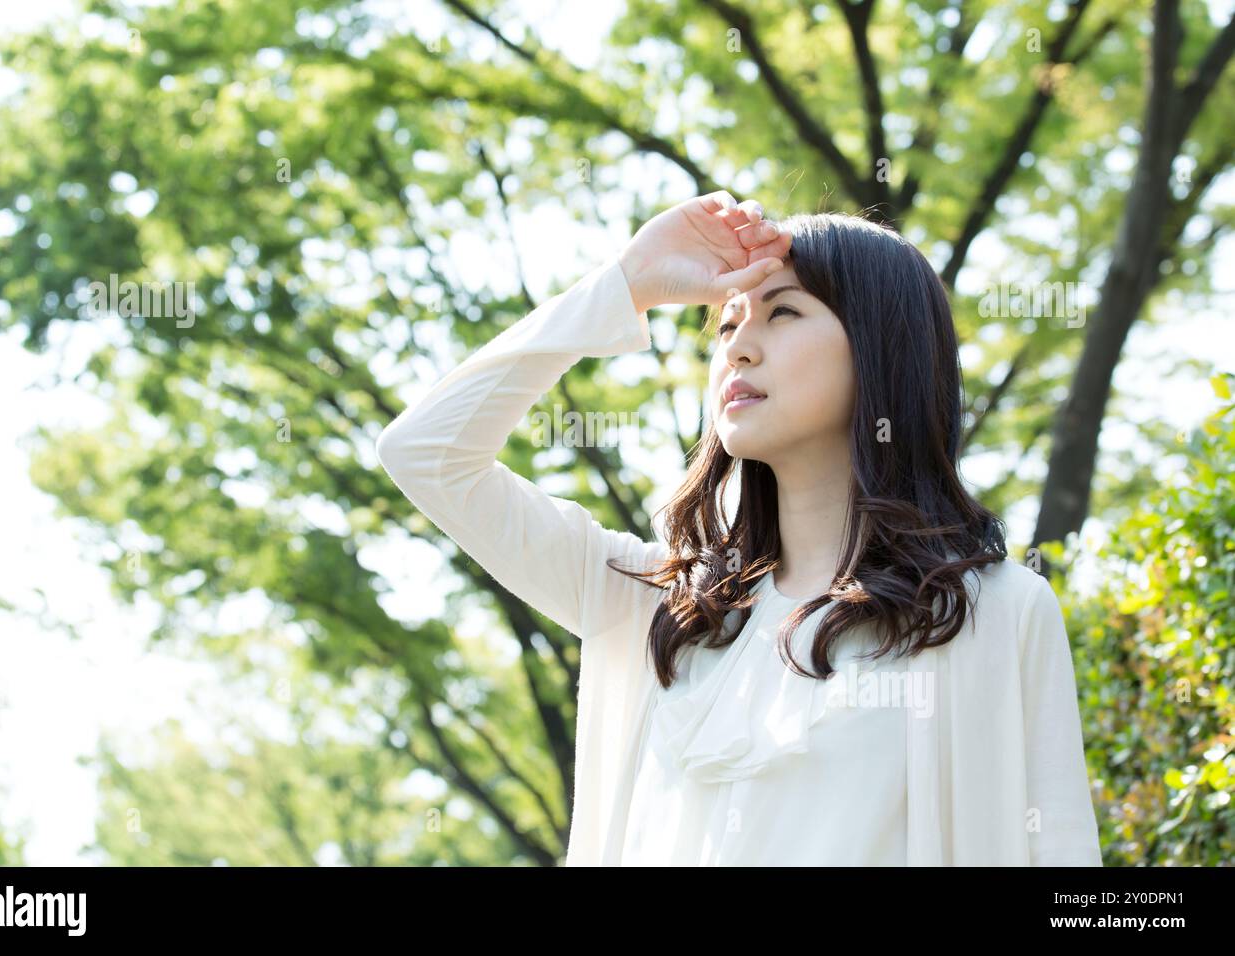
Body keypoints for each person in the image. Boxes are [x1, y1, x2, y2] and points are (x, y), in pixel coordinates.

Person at [375, 191, 1102, 866]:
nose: (738, 347)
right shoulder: (663, 611)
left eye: (782, 313)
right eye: (727, 324)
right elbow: (428, 455)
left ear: (883, 348)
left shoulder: (987, 612)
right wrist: (626, 282)